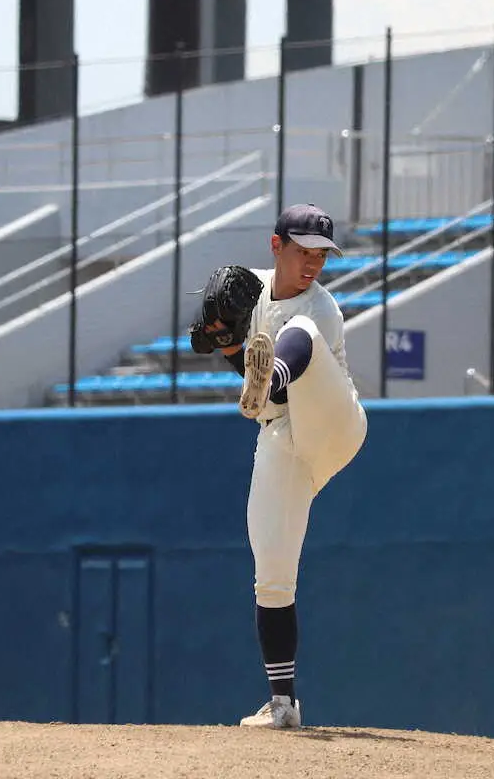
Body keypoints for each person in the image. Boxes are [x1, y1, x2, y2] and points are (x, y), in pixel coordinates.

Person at [189, 203, 368, 729]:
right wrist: (225, 342)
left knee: (304, 338)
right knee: (271, 573)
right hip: (283, 435)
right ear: (276, 246)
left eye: (321, 254)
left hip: (334, 421)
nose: (313, 263)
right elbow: (221, 333)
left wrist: (257, 373)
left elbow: (281, 366)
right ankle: (283, 704)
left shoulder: (322, 306)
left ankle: (268, 377)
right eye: (303, 250)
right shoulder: (256, 287)